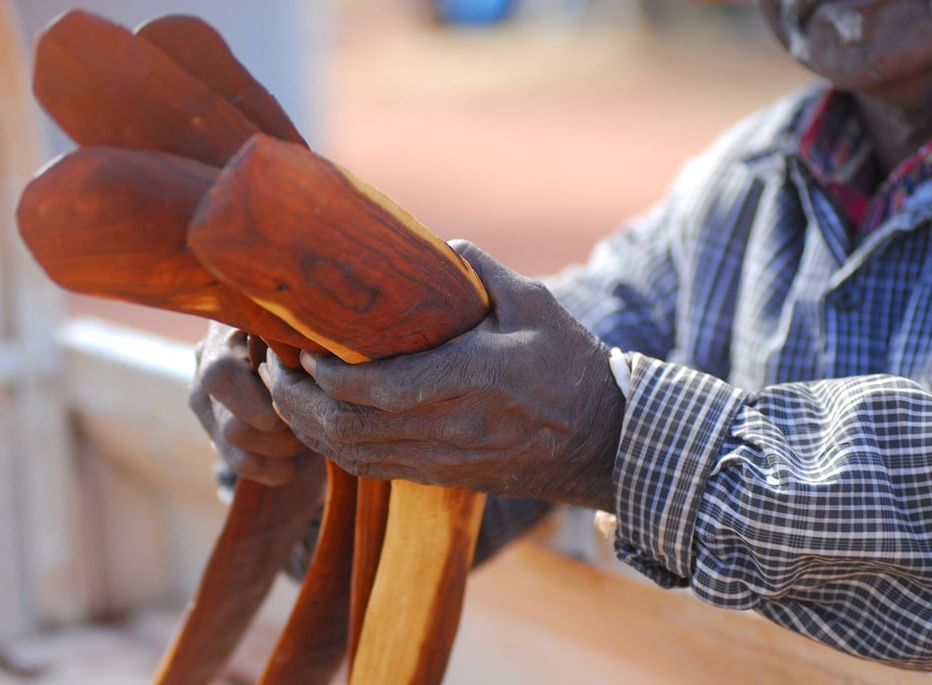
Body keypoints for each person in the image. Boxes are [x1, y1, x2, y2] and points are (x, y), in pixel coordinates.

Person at [190, 0, 932, 670]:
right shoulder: (746, 181)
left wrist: (609, 437)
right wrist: (337, 412)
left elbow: (589, 410)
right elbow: (570, 349)